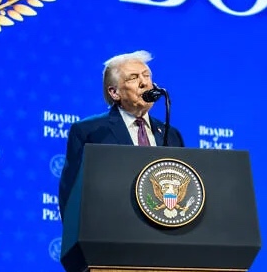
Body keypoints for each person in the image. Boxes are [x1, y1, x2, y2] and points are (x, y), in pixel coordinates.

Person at [57, 50, 186, 216]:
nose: (144, 83)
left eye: (147, 76)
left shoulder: (171, 135)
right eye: (133, 78)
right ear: (114, 92)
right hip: (110, 230)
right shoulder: (90, 132)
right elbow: (71, 193)